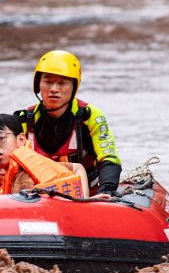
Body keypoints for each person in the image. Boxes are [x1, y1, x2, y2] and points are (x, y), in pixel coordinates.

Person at [15, 50, 122, 195]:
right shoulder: (23, 119)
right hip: (37, 196)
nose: (54, 89)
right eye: (47, 82)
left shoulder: (89, 116)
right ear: (38, 84)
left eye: (62, 83)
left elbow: (109, 157)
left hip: (88, 193)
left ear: (74, 87)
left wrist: (107, 190)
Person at [0, 114, 90, 196]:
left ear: (20, 139)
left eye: (1, 138)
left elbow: (78, 168)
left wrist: (83, 201)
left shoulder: (35, 166)